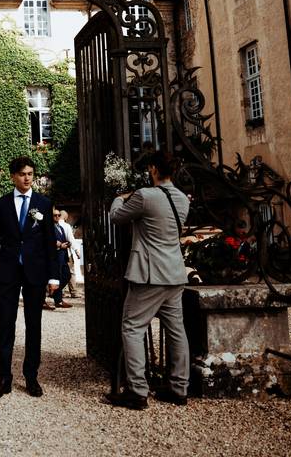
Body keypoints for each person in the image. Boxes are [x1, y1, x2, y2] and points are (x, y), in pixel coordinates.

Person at [106, 150, 191, 410]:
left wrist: (118, 199)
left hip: (149, 274)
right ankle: (179, 388)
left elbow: (116, 217)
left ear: (153, 169)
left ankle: (137, 391)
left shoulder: (145, 196)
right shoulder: (182, 199)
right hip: (175, 273)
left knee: (132, 328)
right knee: (177, 330)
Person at [0, 156, 60, 399]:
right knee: (6, 325)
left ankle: (31, 376)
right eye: (22, 174)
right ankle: (4, 377)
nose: (27, 178)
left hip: (35, 272)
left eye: (30, 173)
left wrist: (54, 277)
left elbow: (49, 243)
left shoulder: (43, 204)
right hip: (8, 272)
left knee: (33, 325)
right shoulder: (2, 204)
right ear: (12, 177)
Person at [48, 207, 73, 309]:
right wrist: (58, 245)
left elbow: (63, 239)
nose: (57, 217)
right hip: (55, 256)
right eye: (55, 215)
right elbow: (48, 239)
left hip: (63, 256)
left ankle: (54, 293)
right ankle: (58, 300)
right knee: (57, 277)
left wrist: (67, 244)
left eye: (59, 215)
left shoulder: (61, 227)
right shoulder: (49, 227)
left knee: (67, 275)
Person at [59, 210, 81, 297]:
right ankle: (73, 292)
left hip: (56, 252)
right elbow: (71, 239)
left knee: (59, 271)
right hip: (66, 253)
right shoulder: (66, 225)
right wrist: (76, 251)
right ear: (65, 217)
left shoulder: (52, 225)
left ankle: (61, 291)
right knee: (71, 272)